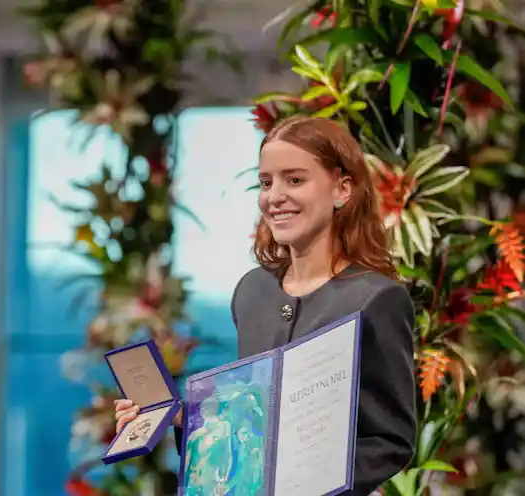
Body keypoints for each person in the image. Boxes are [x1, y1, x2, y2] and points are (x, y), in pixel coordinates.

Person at [115, 116, 416, 495]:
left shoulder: (377, 298)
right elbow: (249, 416)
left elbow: (391, 441)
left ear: (342, 189)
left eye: (294, 180)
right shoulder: (253, 291)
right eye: (266, 182)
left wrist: (302, 483)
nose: (274, 196)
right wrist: (180, 419)